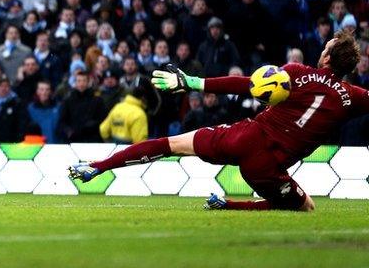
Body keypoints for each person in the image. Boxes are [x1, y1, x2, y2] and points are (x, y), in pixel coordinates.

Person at [70, 29, 369, 212]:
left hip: (244, 138)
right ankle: (230, 205)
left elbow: (245, 84)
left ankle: (97, 167)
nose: (321, 50)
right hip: (266, 169)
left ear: (327, 58)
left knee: (172, 144)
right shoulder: (352, 97)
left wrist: (192, 82)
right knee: (305, 206)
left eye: (325, 47)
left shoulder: (296, 72)